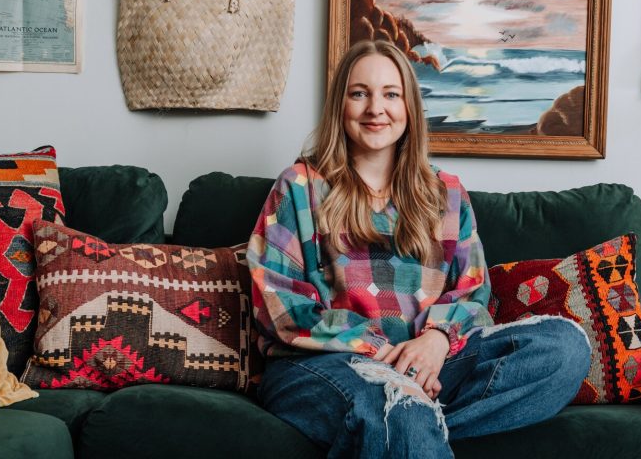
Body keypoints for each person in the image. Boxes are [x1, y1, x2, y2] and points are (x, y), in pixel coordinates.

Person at [246, 40, 591, 458]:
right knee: (398, 403)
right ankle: (403, 415)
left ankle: (399, 424)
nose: (376, 108)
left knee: (563, 347)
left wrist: (437, 341)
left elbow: (471, 290)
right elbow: (278, 305)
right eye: (360, 94)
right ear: (341, 105)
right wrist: (382, 353)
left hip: (431, 362)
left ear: (410, 106)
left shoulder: (445, 193)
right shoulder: (299, 186)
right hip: (324, 365)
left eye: (391, 94)